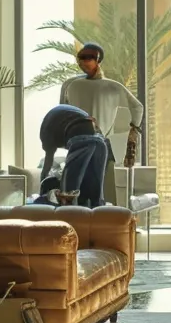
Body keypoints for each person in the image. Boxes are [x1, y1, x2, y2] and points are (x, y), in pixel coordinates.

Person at [59, 42, 145, 205]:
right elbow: (63, 110)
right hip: (77, 140)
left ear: (98, 60)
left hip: (99, 140)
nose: (83, 61)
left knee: (93, 186)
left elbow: (137, 106)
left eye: (88, 57)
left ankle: (94, 219)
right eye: (81, 57)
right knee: (77, 186)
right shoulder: (71, 85)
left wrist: (134, 130)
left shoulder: (112, 87)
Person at [39, 104, 110, 208]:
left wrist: (42, 186)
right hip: (100, 141)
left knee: (68, 194)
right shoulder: (58, 122)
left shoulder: (46, 136)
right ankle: (96, 220)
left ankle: (70, 221)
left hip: (80, 138)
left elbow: (47, 165)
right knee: (95, 194)